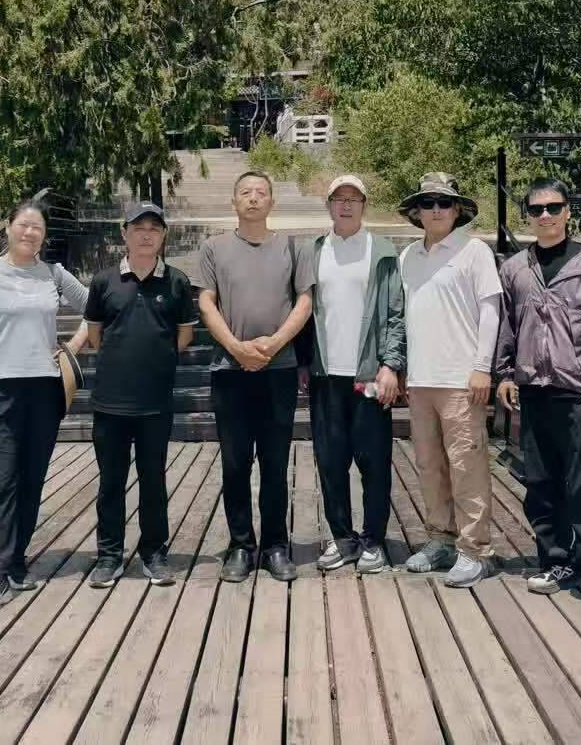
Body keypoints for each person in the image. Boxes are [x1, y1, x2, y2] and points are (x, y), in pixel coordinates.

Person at [495, 179, 581, 612]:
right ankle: (556, 559)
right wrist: (504, 374)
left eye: (554, 207)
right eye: (537, 209)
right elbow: (507, 327)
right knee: (541, 482)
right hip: (534, 390)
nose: (546, 216)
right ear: (527, 216)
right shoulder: (515, 269)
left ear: (568, 212)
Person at [0, 199, 89, 617]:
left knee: (32, 480)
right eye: (23, 225)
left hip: (46, 389)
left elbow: (97, 307)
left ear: (44, 235)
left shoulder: (54, 274)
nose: (30, 232)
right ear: (8, 228)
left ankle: (16, 562)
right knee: (1, 482)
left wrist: (72, 346)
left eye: (37, 228)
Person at [196, 170, 315, 583]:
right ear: (234, 202)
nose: (252, 198)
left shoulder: (293, 248)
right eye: (245, 192)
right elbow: (206, 303)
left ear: (271, 202)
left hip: (278, 371)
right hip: (230, 371)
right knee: (234, 463)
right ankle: (241, 546)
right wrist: (237, 347)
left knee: (275, 462)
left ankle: (276, 545)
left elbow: (304, 302)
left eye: (260, 192)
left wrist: (274, 344)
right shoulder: (213, 248)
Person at [83, 202, 197, 590]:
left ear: (163, 235)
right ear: (124, 233)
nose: (146, 234)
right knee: (111, 482)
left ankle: (154, 553)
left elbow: (184, 335)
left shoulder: (177, 282)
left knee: (153, 481)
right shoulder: (104, 281)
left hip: (155, 401)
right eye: (138, 227)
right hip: (110, 402)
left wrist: (155, 358)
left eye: (154, 228)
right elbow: (95, 335)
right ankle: (109, 555)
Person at [398, 172, 502, 588]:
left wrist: (483, 366)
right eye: (428, 203)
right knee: (429, 464)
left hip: (462, 379)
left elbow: (490, 311)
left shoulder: (474, 251)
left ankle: (476, 550)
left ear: (457, 210)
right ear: (417, 211)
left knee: (466, 465)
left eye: (444, 202)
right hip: (421, 379)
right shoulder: (407, 257)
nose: (436, 210)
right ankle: (439, 539)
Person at [305, 174, 405, 576]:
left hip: (369, 376)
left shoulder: (381, 251)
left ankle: (373, 540)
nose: (346, 205)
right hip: (326, 375)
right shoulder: (315, 250)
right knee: (331, 462)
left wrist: (391, 365)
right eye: (338, 198)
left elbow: (396, 313)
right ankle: (343, 538)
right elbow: (304, 311)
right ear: (329, 205)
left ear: (364, 205)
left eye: (354, 199)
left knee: (374, 462)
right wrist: (304, 363)